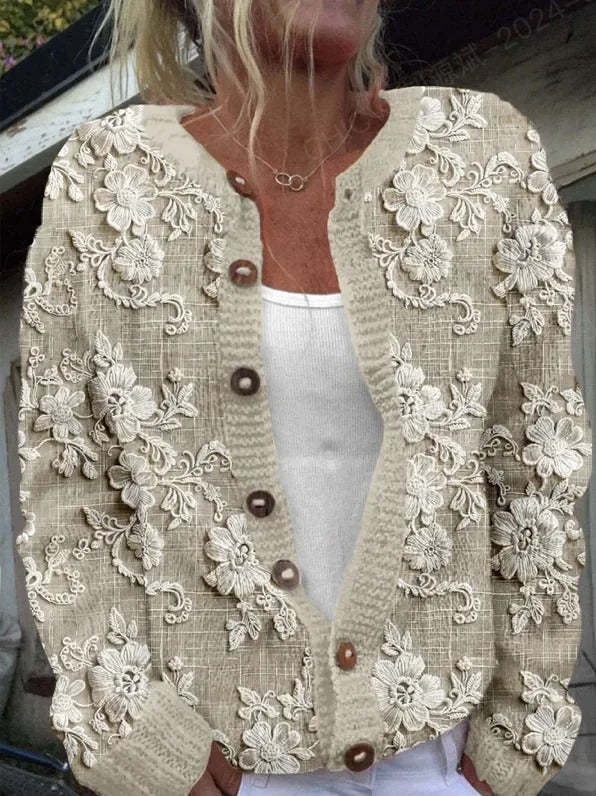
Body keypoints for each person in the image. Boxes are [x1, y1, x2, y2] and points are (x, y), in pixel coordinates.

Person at [14, 1, 591, 795]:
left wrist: (513, 744)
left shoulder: (483, 155)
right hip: (213, 765)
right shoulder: (107, 181)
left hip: (442, 761)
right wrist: (137, 740)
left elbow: (536, 464)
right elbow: (68, 486)